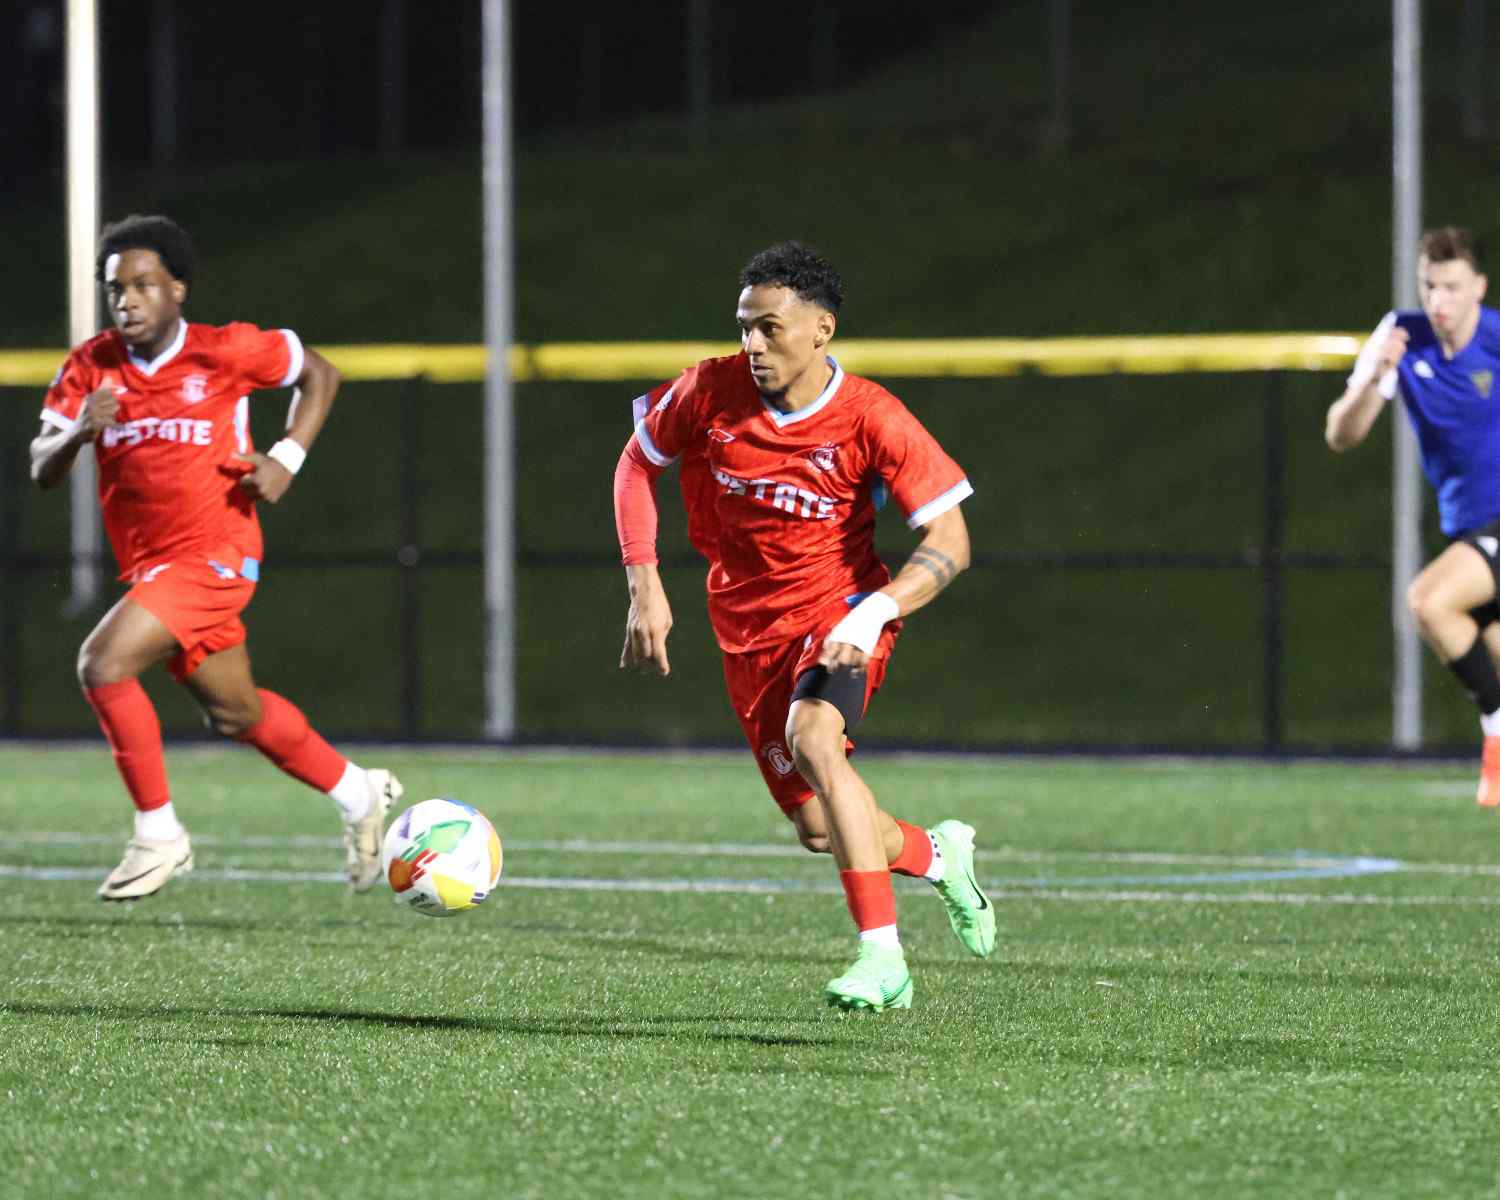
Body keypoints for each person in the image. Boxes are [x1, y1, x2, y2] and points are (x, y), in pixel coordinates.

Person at [613, 241, 993, 1012]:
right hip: (745, 631)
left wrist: (875, 609)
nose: (753, 343)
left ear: (821, 330)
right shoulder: (707, 390)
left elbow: (950, 538)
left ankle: (882, 960)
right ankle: (937, 853)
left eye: (771, 328)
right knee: (820, 826)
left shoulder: (872, 416)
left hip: (840, 617)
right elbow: (634, 464)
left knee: (816, 737)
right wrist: (643, 580)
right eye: (745, 326)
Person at [29, 213, 402, 901]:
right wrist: (81, 430)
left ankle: (159, 834)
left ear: (178, 288)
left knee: (102, 663)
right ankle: (358, 793)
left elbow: (320, 374)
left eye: (144, 285)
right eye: (117, 289)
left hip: (216, 555)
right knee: (236, 714)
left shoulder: (225, 351)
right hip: (153, 568)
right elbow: (40, 468)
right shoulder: (92, 367)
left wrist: (286, 457)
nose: (129, 300)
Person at [1327, 225, 1500, 801]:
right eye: (1430, 287)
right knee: (1484, 640)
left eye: (1451, 287)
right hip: (1468, 528)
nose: (1439, 302)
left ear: (1479, 287)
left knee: (1429, 598)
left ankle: (1497, 737)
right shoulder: (1401, 337)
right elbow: (1341, 436)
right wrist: (1375, 375)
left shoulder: (1497, 341)